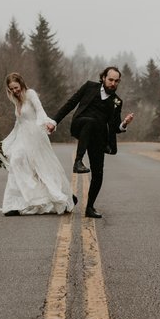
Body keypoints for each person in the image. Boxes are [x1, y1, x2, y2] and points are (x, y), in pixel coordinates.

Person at [48, 67, 134, 219]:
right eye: (110, 79)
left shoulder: (117, 101)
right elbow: (71, 103)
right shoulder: (89, 87)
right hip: (80, 125)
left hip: (98, 137)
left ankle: (89, 207)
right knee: (90, 122)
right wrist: (54, 121)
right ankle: (78, 161)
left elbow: (115, 127)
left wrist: (124, 124)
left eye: (116, 81)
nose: (113, 83)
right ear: (103, 78)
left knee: (98, 173)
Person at [0, 73, 76, 216]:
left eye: (16, 87)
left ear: (21, 83)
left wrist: (45, 124)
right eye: (11, 89)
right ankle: (14, 204)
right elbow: (18, 123)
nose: (14, 91)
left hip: (36, 136)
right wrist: (5, 142)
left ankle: (64, 194)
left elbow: (40, 111)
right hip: (22, 137)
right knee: (17, 162)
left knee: (44, 167)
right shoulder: (16, 100)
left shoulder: (31, 94)